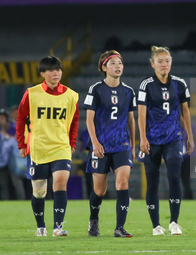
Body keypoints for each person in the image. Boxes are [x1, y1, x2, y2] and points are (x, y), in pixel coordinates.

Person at [16, 56, 79, 237]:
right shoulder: (32, 93)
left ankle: (58, 227)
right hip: (38, 148)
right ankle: (40, 226)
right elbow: (21, 119)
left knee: (60, 183)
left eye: (58, 70)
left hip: (61, 147)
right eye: (51, 70)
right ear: (43, 73)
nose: (56, 73)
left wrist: (71, 142)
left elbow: (75, 120)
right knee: (39, 191)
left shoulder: (70, 95)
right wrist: (22, 144)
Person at [138, 46, 194, 236]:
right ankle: (156, 225)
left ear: (171, 63)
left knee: (174, 178)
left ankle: (174, 222)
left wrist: (190, 138)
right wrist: (143, 138)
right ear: (153, 64)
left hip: (173, 139)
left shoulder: (179, 84)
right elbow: (141, 115)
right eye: (160, 61)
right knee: (152, 182)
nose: (164, 64)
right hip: (152, 140)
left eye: (167, 61)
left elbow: (185, 111)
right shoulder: (146, 85)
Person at [83, 50, 136, 238]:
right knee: (99, 190)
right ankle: (93, 221)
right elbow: (89, 119)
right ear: (104, 67)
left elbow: (131, 120)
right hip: (101, 147)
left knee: (122, 183)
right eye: (113, 63)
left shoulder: (129, 91)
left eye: (120, 63)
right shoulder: (95, 89)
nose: (118, 66)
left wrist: (133, 145)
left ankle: (119, 227)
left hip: (122, 145)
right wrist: (95, 143)